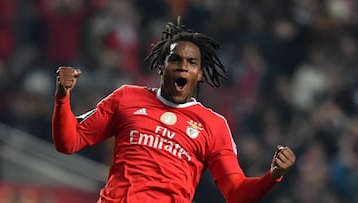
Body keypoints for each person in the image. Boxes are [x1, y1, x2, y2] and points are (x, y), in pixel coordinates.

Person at [52, 19, 296, 203]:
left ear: (199, 74)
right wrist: (63, 97)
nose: (182, 67)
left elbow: (235, 192)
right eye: (175, 60)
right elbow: (69, 142)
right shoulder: (127, 97)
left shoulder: (213, 125)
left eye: (191, 63)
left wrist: (273, 176)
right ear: (162, 66)